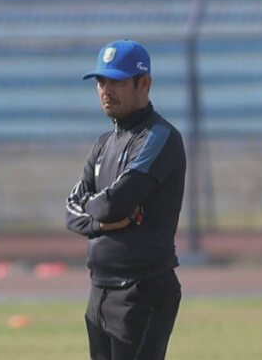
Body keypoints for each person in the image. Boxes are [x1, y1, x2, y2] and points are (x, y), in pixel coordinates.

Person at [65, 39, 186, 360]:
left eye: (117, 81)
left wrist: (97, 211)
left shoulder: (159, 137)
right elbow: (71, 210)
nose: (106, 89)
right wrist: (99, 218)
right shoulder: (104, 143)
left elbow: (113, 204)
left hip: (140, 290)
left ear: (143, 83)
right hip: (100, 290)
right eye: (101, 81)